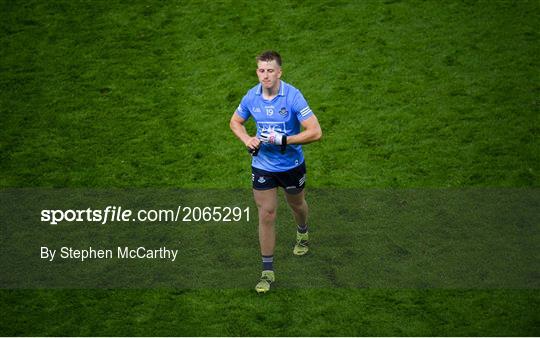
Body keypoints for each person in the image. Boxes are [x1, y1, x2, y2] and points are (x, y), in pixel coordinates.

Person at [229, 51, 322, 293]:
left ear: (279, 72)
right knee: (266, 214)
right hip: (263, 165)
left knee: (297, 205)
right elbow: (235, 122)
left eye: (270, 70)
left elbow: (315, 131)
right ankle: (267, 272)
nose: (265, 75)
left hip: (291, 166)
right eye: (261, 70)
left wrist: (285, 139)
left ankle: (302, 231)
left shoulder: (293, 97)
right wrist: (247, 139)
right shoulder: (251, 97)